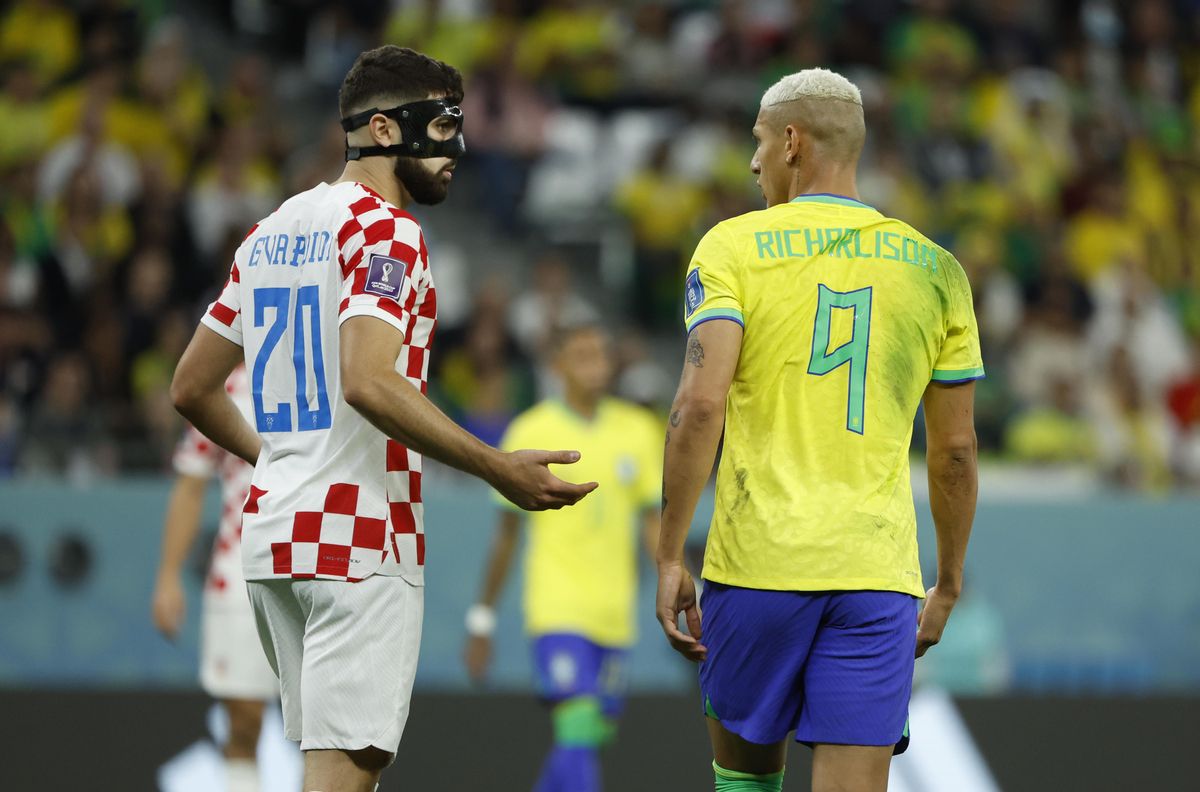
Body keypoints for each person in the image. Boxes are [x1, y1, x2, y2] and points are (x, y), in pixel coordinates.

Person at [170, 45, 597, 792]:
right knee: (346, 774)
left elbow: (191, 386)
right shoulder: (388, 231)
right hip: (358, 540)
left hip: (276, 541)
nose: (457, 147)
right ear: (382, 130)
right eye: (440, 125)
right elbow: (368, 381)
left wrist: (273, 459)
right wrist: (497, 466)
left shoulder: (272, 229)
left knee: (323, 769)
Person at [654, 68, 983, 792]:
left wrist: (670, 551)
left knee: (745, 787)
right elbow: (954, 451)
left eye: (760, 142)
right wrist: (949, 579)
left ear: (793, 142)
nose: (753, 161)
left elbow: (699, 406)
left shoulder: (731, 247)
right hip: (876, 578)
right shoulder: (937, 269)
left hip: (755, 568)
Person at [463, 324, 661, 792]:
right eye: (582, 355)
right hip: (556, 609)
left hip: (615, 614)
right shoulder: (532, 431)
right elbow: (506, 537)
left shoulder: (638, 430)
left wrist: (678, 586)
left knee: (591, 736)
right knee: (575, 730)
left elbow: (652, 526)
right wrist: (482, 622)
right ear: (559, 366)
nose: (596, 364)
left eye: (601, 353)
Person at [151, 365, 284, 792]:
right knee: (242, 724)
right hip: (240, 569)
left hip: (327, 563)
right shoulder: (227, 381)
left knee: (336, 730)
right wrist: (168, 576)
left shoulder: (340, 363)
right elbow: (191, 484)